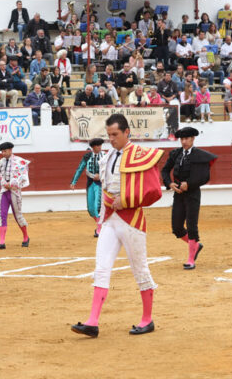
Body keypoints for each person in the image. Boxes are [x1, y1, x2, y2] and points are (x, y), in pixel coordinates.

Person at [71, 114, 163, 338]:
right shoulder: (108, 156)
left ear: (126, 133)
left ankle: (147, 319)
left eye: (115, 135)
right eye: (109, 135)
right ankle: (93, 322)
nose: (111, 139)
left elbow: (154, 191)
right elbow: (105, 188)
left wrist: (128, 200)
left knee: (140, 269)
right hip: (111, 219)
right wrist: (102, 218)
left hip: (131, 219)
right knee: (101, 268)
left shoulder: (140, 155)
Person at [160, 127, 217, 270]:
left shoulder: (200, 155)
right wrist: (169, 183)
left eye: (186, 139)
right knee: (177, 227)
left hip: (192, 194)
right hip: (178, 193)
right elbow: (165, 170)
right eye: (182, 139)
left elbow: (205, 177)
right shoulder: (176, 153)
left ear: (193, 139)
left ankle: (191, 259)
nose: (184, 142)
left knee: (192, 226)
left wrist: (189, 184)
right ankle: (196, 246)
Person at [0, 142, 31, 249]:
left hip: (14, 192)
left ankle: (26, 237)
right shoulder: (0, 162)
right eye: (2, 152)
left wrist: (13, 184)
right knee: (2, 215)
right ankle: (2, 242)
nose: (3, 153)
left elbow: (23, 177)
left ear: (10, 150)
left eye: (5, 151)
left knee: (18, 215)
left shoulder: (19, 161)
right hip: (4, 192)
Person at [70, 138, 105, 237]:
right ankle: (100, 224)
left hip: (100, 184)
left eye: (100, 145)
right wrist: (73, 182)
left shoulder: (105, 156)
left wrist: (100, 175)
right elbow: (80, 168)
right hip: (90, 183)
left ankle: (99, 228)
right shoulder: (87, 156)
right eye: (98, 146)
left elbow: (108, 169)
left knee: (97, 206)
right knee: (90, 209)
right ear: (93, 147)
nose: (100, 147)